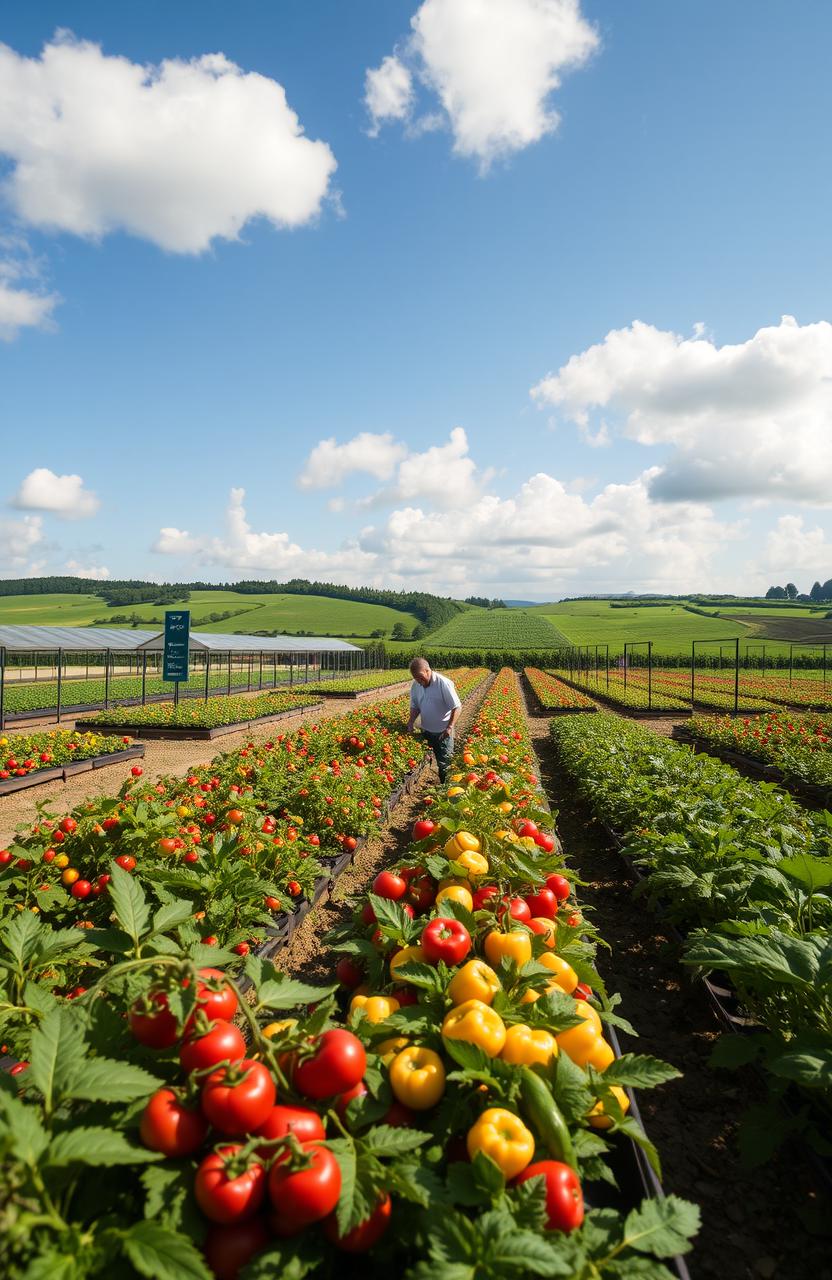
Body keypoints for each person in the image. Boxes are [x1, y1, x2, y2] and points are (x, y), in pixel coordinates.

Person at [406, 658, 461, 783]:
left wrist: (449, 727)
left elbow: (457, 707)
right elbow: (415, 706)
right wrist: (410, 721)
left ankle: (444, 790)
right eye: (415, 678)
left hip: (443, 733)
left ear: (427, 670)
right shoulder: (416, 685)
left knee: (445, 764)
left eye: (420, 677)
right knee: (423, 758)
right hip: (426, 731)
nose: (419, 681)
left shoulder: (443, 683)